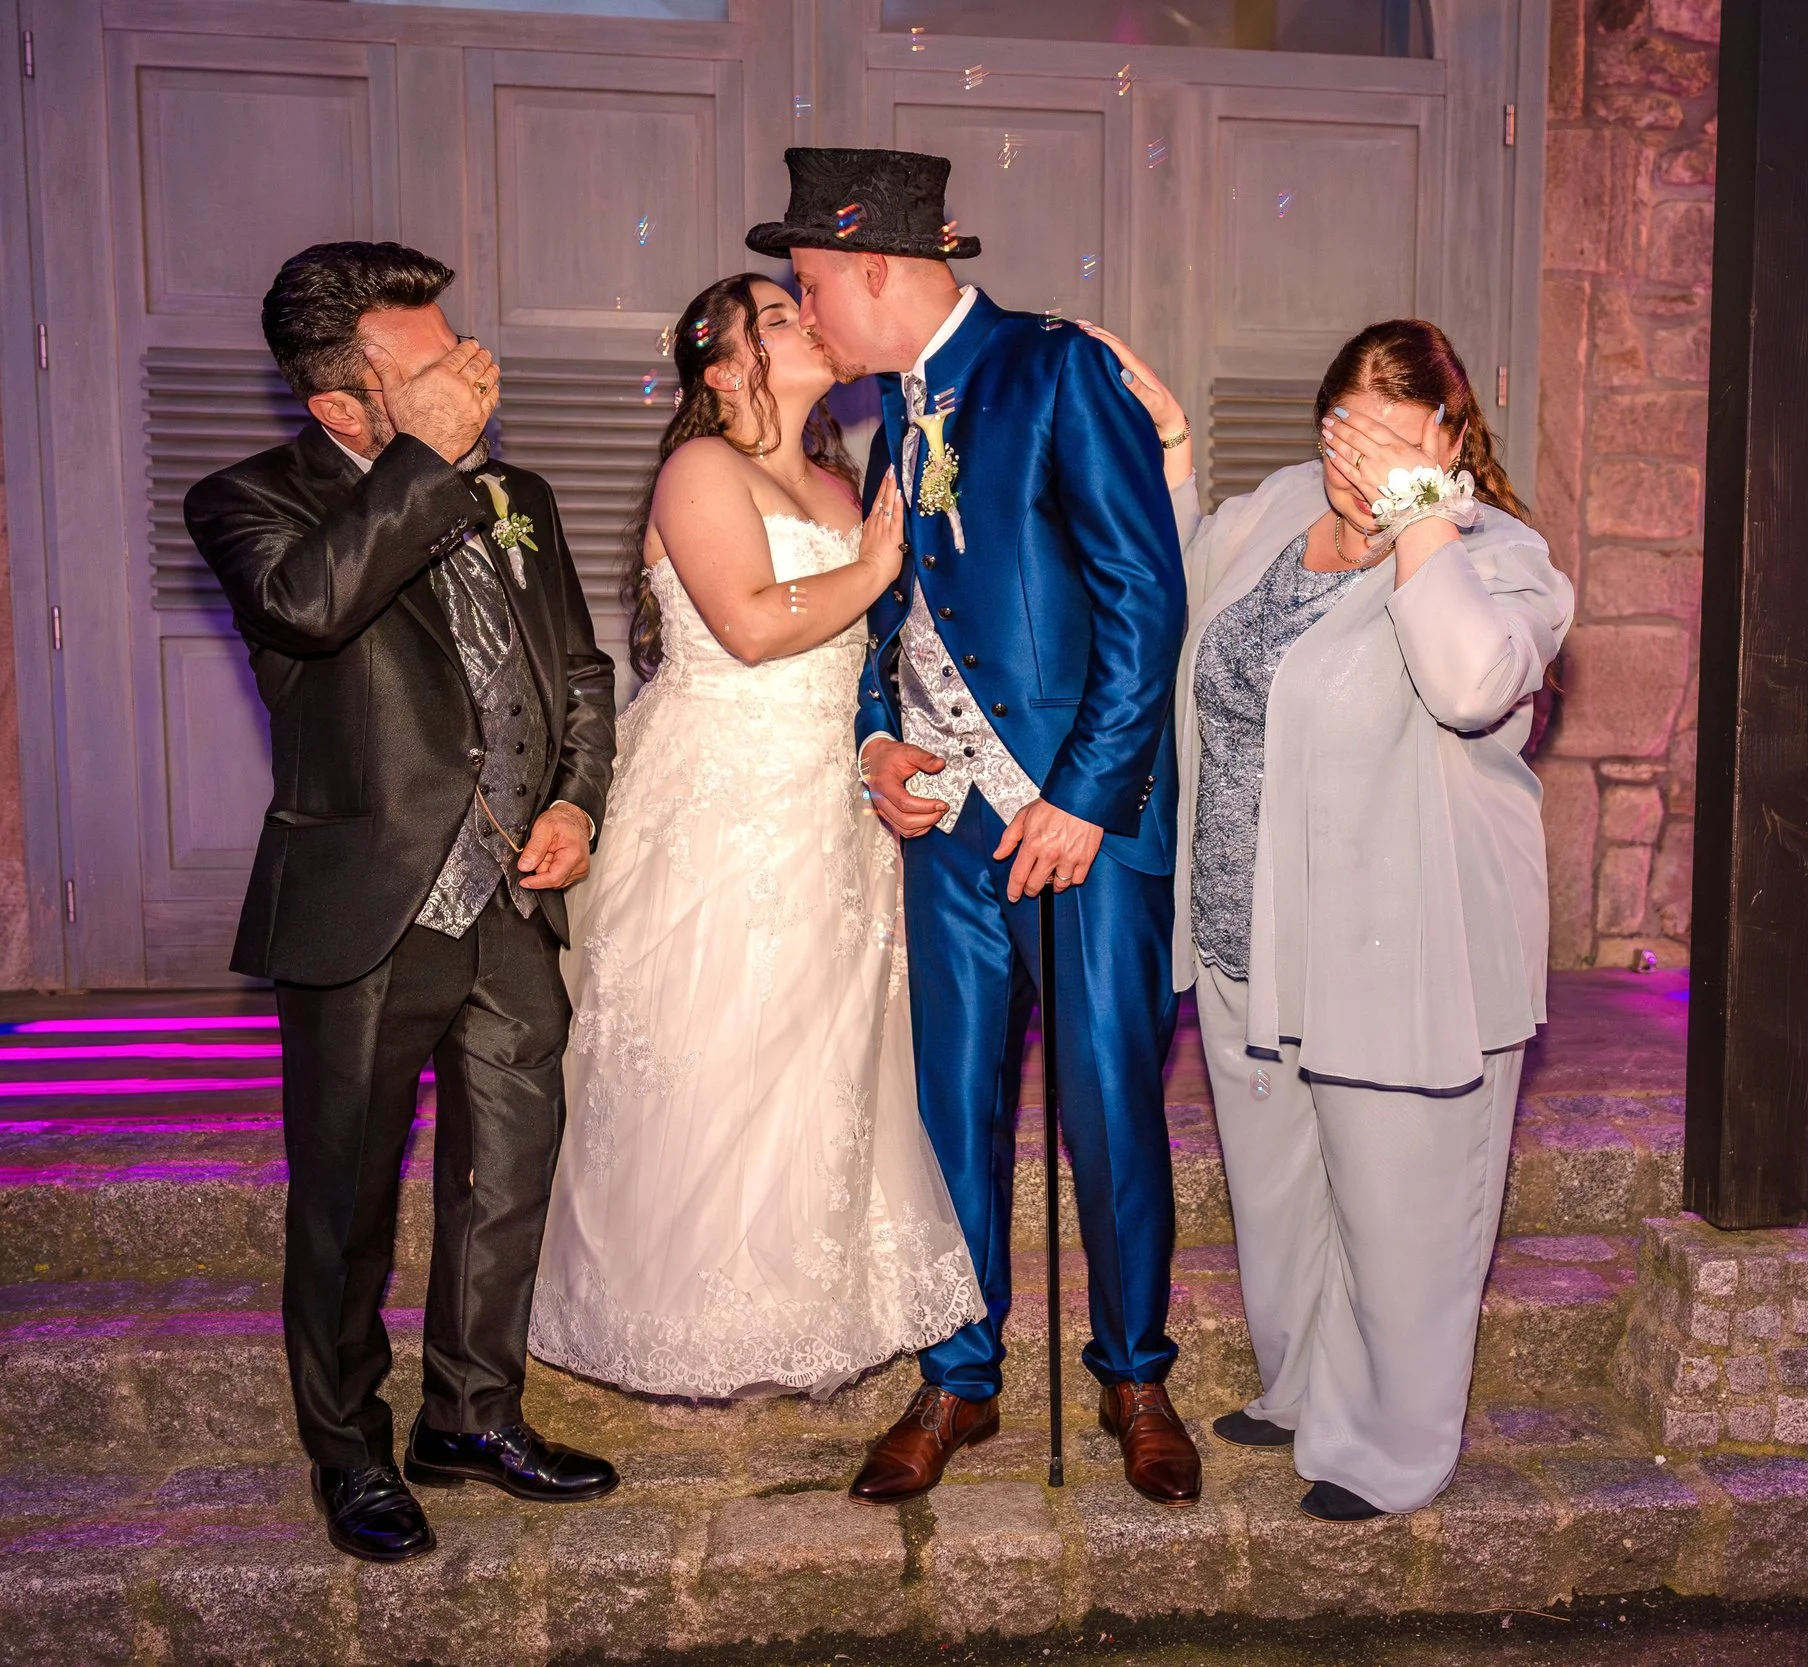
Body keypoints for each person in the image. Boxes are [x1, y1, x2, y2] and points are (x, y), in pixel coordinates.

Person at [759, 148, 1202, 1507]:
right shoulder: (892, 408)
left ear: (877, 269)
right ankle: (959, 1377)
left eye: (813, 281)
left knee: (1111, 1098)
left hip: (1081, 824)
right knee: (952, 1099)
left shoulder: (1062, 369)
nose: (804, 306)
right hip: (945, 826)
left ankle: (1135, 1370)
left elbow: (1145, 598)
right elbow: (890, 614)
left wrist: (1082, 797)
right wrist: (874, 745)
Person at [1085, 317, 1572, 1522]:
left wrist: (1418, 522)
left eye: (1393, 443)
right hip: (1251, 921)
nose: (1355, 466)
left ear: (1452, 438)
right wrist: (1177, 452)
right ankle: (1307, 1386)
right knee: (1282, 1183)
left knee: (1399, 1194)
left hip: (1396, 939)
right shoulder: (1282, 506)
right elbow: (1186, 595)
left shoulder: (1500, 558)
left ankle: (1395, 1443)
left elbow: (1468, 683)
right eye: (1342, 433)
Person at [185, 241, 622, 1566]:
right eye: (431, 367)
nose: (471, 375)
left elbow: (583, 670)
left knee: (507, 1178)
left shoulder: (522, 493)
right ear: (341, 403)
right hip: (369, 904)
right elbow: (311, 609)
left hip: (511, 903)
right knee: (346, 1198)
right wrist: (424, 466)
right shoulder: (247, 500)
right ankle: (350, 1448)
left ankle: (473, 1413)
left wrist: (577, 798)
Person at [525, 274, 984, 1397]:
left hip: (829, 801)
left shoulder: (843, 479)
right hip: (718, 799)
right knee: (711, 1048)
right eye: (775, 319)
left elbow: (881, 655)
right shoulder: (700, 469)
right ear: (723, 368)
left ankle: (801, 1305)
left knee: (817, 1062)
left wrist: (889, 745)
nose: (805, 322)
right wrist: (874, 569)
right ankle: (676, 1316)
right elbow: (742, 622)